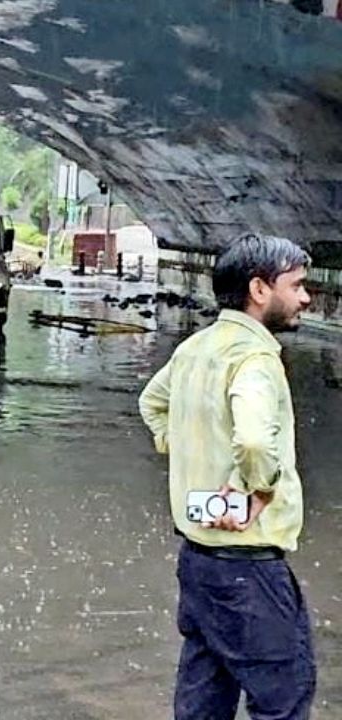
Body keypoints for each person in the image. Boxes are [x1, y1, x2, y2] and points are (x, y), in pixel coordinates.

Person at [138, 234, 314, 720]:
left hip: (198, 561)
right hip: (249, 566)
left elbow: (151, 403)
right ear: (260, 289)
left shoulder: (197, 348)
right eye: (296, 285)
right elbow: (256, 442)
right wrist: (258, 488)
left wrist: (188, 450)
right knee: (283, 696)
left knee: (204, 697)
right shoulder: (255, 358)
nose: (305, 298)